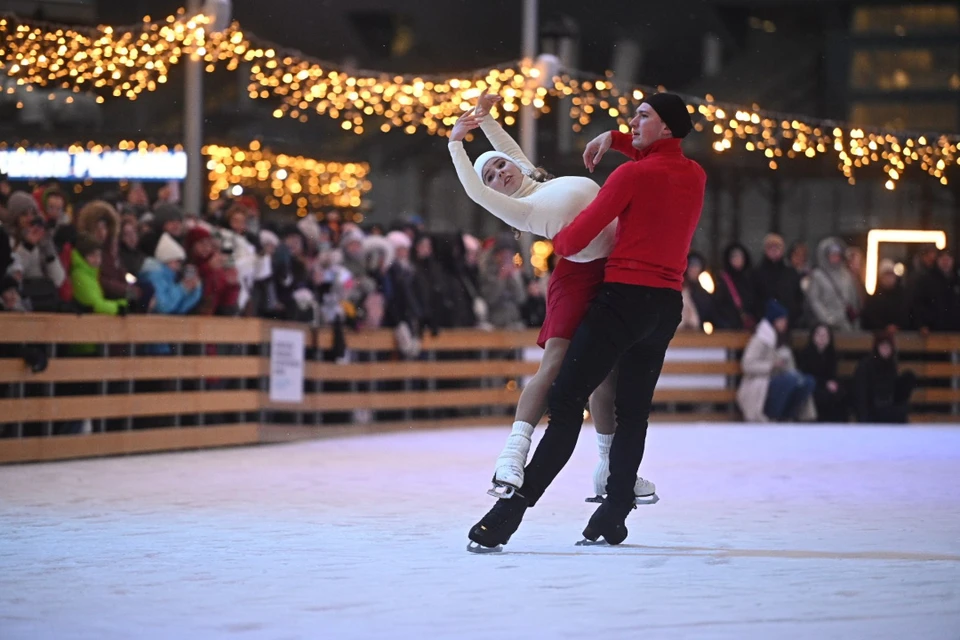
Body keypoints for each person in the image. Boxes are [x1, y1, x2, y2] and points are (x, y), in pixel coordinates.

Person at [466, 93, 704, 551]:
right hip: (665, 305)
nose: (632, 121)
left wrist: (555, 235)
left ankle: (507, 515)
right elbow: (661, 159)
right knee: (631, 411)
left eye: (642, 116)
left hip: (622, 299)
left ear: (666, 126)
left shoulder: (629, 174)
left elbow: (579, 231)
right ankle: (613, 514)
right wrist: (615, 139)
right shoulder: (694, 174)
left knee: (567, 398)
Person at [449, 93, 655, 506]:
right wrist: (457, 142)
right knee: (557, 359)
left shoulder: (535, 179)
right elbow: (473, 190)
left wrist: (485, 119)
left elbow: (507, 147)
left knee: (607, 371)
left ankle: (611, 470)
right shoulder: (519, 208)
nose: (499, 173)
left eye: (500, 165)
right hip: (576, 274)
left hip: (612, 267)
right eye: (490, 175)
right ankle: (512, 455)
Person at [737, 300, 816, 422]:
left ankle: (790, 415)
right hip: (761, 384)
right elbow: (747, 365)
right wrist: (771, 365)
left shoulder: (783, 339)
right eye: (782, 320)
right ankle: (774, 415)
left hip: (780, 380)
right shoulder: (760, 340)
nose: (785, 323)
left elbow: (791, 368)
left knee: (807, 382)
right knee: (789, 381)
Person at [853, 331, 916, 423]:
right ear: (877, 347)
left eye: (888, 347)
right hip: (872, 410)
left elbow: (893, 391)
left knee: (909, 376)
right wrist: (863, 419)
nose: (885, 349)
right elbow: (861, 394)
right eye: (882, 346)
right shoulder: (865, 365)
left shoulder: (891, 365)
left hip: (887, 407)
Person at [796, 323, 848, 422]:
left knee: (840, 393)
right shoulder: (806, 353)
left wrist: (833, 383)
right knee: (821, 396)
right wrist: (825, 383)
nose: (822, 338)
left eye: (825, 335)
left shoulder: (832, 353)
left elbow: (833, 374)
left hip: (827, 385)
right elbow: (805, 374)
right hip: (812, 385)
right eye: (819, 335)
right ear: (813, 336)